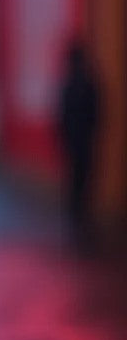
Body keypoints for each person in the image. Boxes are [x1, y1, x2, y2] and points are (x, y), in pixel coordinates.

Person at [55, 38, 102, 249]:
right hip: (83, 139)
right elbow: (97, 112)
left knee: (77, 176)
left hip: (77, 138)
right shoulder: (87, 82)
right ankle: (78, 213)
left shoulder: (71, 83)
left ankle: (77, 212)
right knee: (81, 175)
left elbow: (63, 114)